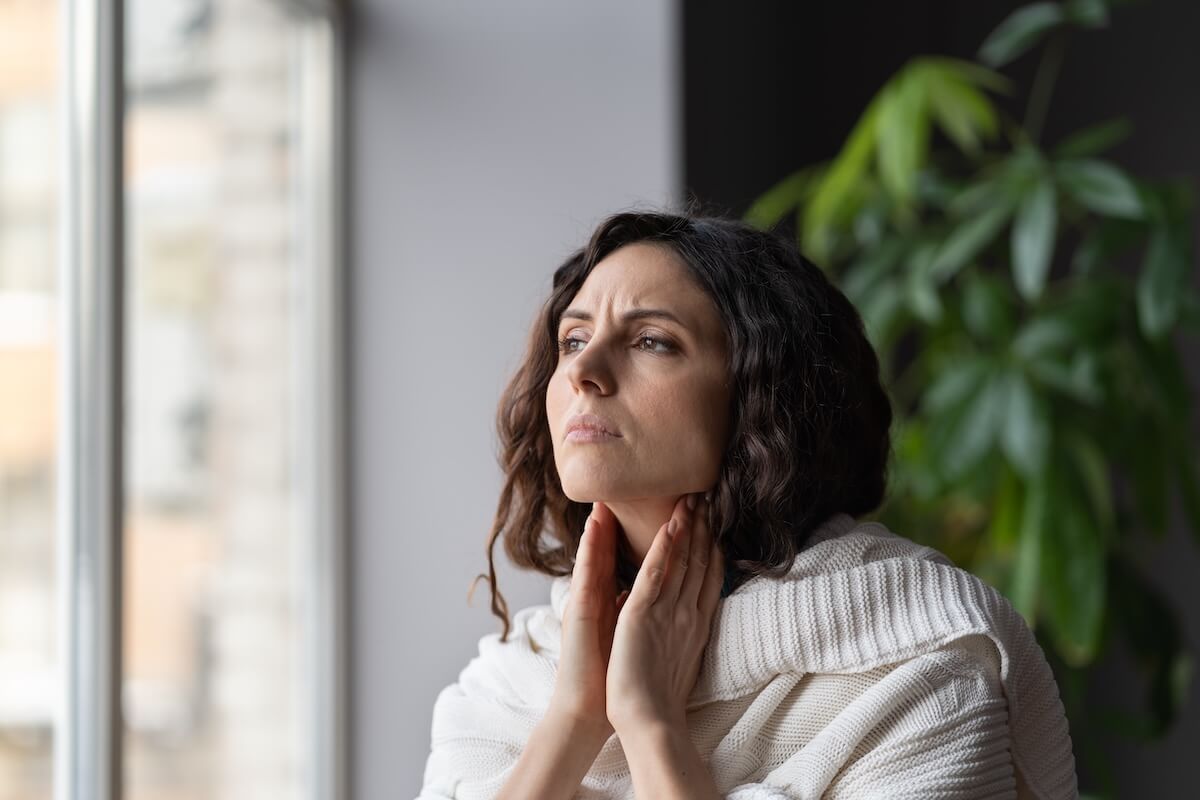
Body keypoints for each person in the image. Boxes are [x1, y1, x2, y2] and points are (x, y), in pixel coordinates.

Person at [417, 209, 1079, 799]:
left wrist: (651, 730)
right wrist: (573, 725)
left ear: (764, 396)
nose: (585, 371)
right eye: (573, 340)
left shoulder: (923, 675)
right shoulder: (508, 686)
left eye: (653, 341)